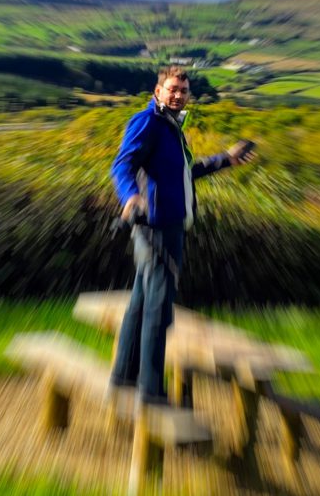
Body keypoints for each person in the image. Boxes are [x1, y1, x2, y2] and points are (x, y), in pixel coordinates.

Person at [109, 65, 255, 405]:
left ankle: (123, 377)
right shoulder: (148, 122)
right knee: (159, 309)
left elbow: (183, 174)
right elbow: (122, 165)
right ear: (158, 91)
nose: (178, 95)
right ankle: (151, 391)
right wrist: (130, 196)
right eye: (172, 89)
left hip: (165, 224)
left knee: (141, 303)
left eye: (183, 90)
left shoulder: (171, 127)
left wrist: (226, 160)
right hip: (158, 227)